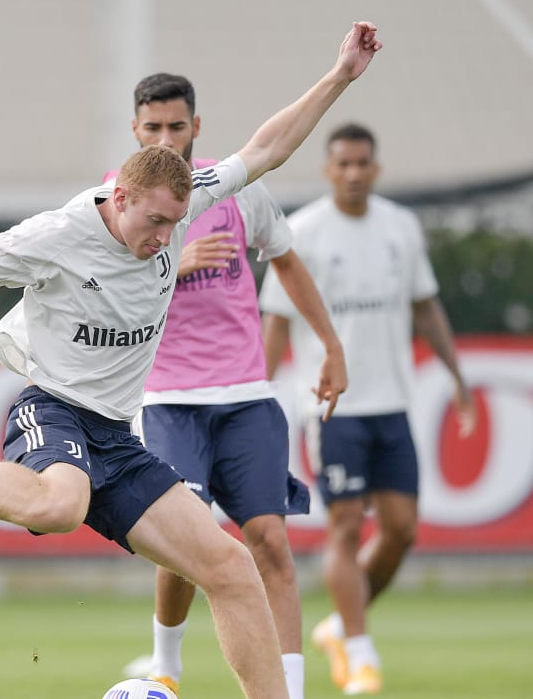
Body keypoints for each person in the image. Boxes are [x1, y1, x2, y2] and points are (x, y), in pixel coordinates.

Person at [0, 22, 382, 699]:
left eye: (175, 224)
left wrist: (341, 74)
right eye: (154, 224)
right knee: (59, 505)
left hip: (116, 434)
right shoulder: (56, 235)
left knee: (230, 566)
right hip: (54, 410)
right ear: (121, 196)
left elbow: (269, 147)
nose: (165, 240)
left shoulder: (186, 201)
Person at [110, 72, 347, 699]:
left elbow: (288, 263)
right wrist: (169, 262)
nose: (166, 136)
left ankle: (289, 691)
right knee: (184, 543)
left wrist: (330, 345)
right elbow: (98, 300)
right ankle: (166, 666)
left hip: (245, 395)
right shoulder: (118, 205)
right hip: (167, 400)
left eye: (176, 126)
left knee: (269, 541)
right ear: (135, 131)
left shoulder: (236, 191)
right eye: (153, 127)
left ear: (196, 127)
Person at [259, 122, 475, 696]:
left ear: (376, 168)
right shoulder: (300, 231)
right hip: (332, 406)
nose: (354, 173)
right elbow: (275, 322)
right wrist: (255, 395)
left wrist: (458, 377)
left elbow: (426, 308)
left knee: (402, 530)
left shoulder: (400, 227)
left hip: (393, 403)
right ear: (328, 170)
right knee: (347, 527)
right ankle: (359, 651)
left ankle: (340, 627)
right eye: (343, 164)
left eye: (363, 163)